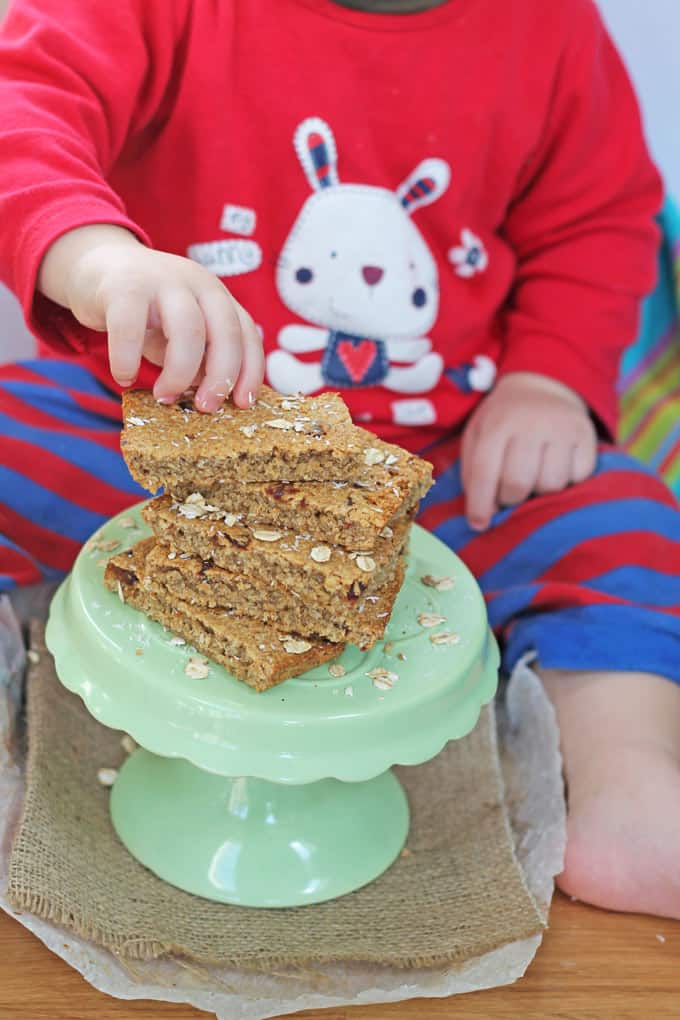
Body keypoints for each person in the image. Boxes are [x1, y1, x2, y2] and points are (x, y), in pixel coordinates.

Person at [0, 0, 679, 918]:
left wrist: (549, 382)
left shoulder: (552, 30)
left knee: (623, 522)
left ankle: (627, 783)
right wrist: (99, 262)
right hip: (140, 411)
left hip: (445, 451)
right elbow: (24, 100)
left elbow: (599, 219)